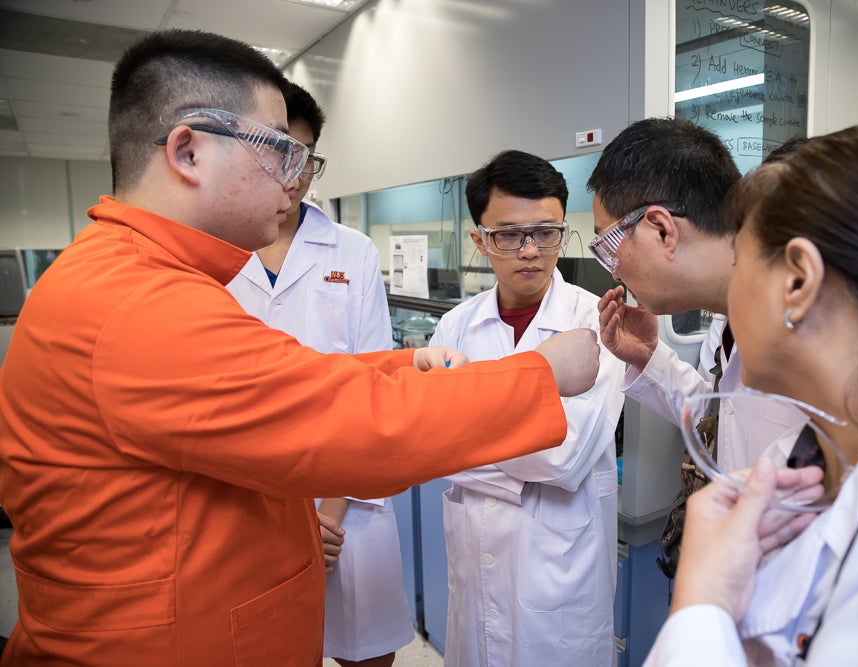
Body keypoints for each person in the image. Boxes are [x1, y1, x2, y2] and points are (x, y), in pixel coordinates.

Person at [0, 29, 601, 667]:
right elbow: (349, 423)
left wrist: (405, 363)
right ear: (189, 152)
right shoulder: (137, 301)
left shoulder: (145, 276)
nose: (295, 181)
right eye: (278, 152)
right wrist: (541, 374)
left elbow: (289, 381)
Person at [645, 125, 858, 666]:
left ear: (798, 281)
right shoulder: (797, 457)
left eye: (738, 264)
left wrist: (701, 605)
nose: (729, 291)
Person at [226, 83, 412, 667]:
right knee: (276, 648)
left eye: (304, 156)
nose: (292, 174)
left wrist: (327, 513)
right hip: (251, 507)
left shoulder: (352, 251)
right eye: (277, 153)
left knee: (367, 654)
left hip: (347, 501)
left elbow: (374, 383)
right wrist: (288, 519)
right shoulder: (215, 253)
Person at [428, 150, 626, 666]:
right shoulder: (455, 326)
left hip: (560, 577)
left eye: (546, 233)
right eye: (509, 236)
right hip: (478, 567)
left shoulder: (596, 322)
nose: (531, 251)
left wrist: (461, 430)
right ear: (480, 240)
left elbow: (562, 459)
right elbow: (431, 444)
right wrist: (467, 437)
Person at [586, 118, 807, 577]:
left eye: (609, 246)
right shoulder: (725, 325)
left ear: (662, 230)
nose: (614, 271)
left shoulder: (804, 335)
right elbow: (722, 417)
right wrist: (649, 357)